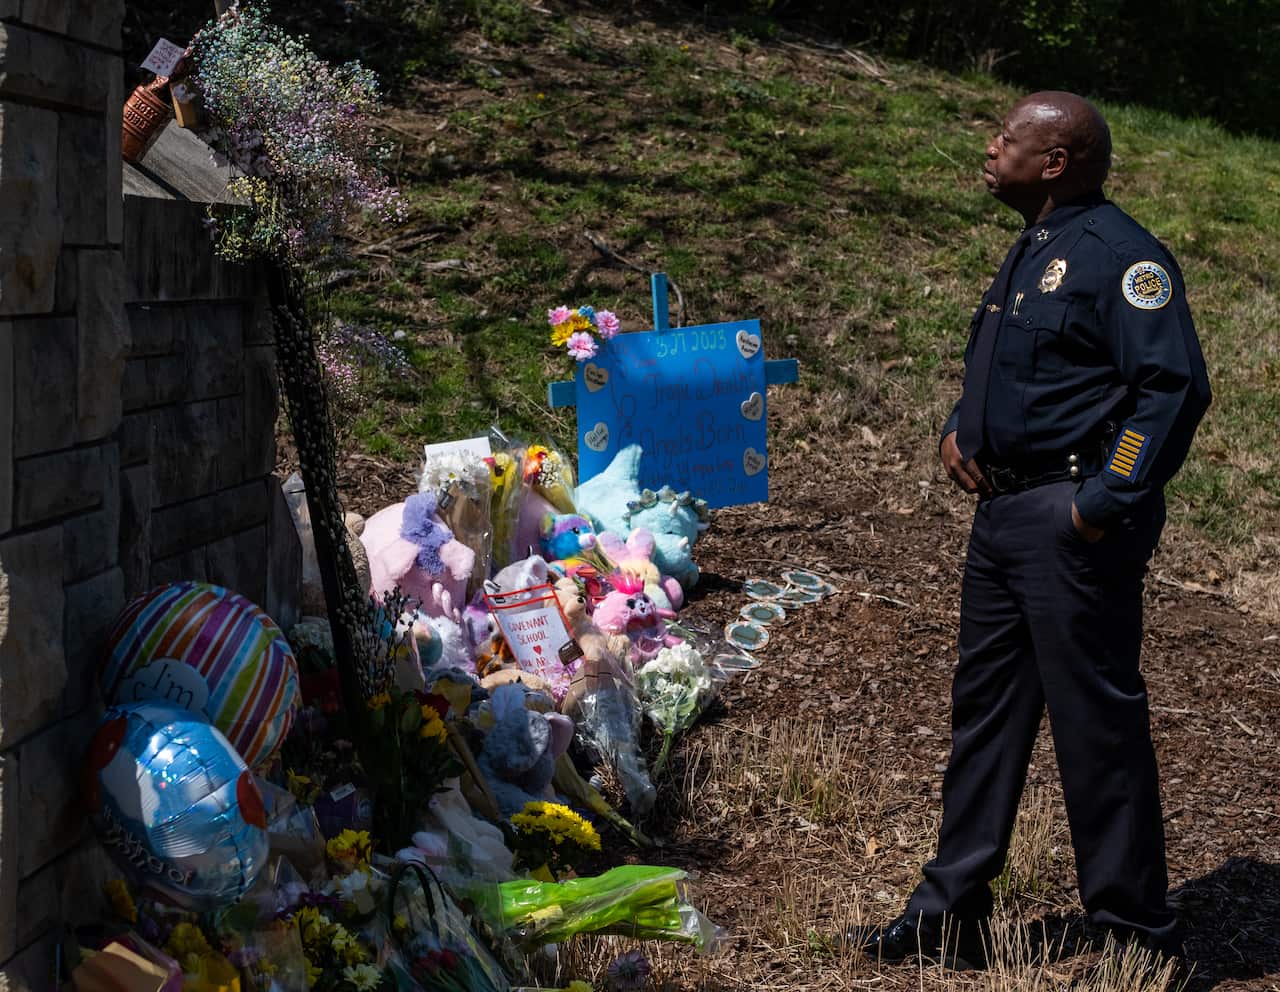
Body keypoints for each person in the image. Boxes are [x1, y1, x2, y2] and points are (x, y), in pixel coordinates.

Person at [849, 92, 1211, 974]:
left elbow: (1172, 387)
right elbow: (1023, 371)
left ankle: (1136, 938)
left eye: (1009, 138)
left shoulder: (1122, 258)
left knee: (1096, 726)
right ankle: (949, 916)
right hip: (1003, 518)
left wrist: (1106, 496)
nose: (991, 145)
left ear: (1055, 162)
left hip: (1070, 522)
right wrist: (957, 427)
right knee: (986, 718)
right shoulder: (1037, 246)